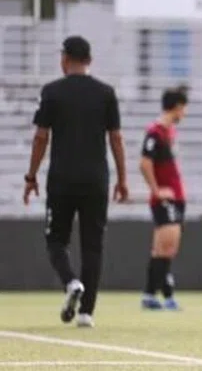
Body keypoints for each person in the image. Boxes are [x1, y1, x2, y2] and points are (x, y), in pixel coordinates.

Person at [22, 36, 128, 328]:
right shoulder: (106, 93)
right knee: (93, 244)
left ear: (64, 59)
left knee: (56, 240)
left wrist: (31, 176)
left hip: (62, 178)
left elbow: (41, 137)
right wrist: (122, 178)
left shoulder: (52, 92)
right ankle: (86, 313)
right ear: (89, 61)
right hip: (96, 179)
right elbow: (116, 138)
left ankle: (71, 282)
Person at [140, 87, 189, 311]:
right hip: (166, 198)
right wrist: (157, 190)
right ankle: (152, 295)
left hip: (176, 196)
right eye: (184, 108)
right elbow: (144, 163)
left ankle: (163, 296)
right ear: (177, 107)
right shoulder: (155, 132)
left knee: (166, 249)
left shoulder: (169, 133)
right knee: (166, 247)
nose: (184, 113)